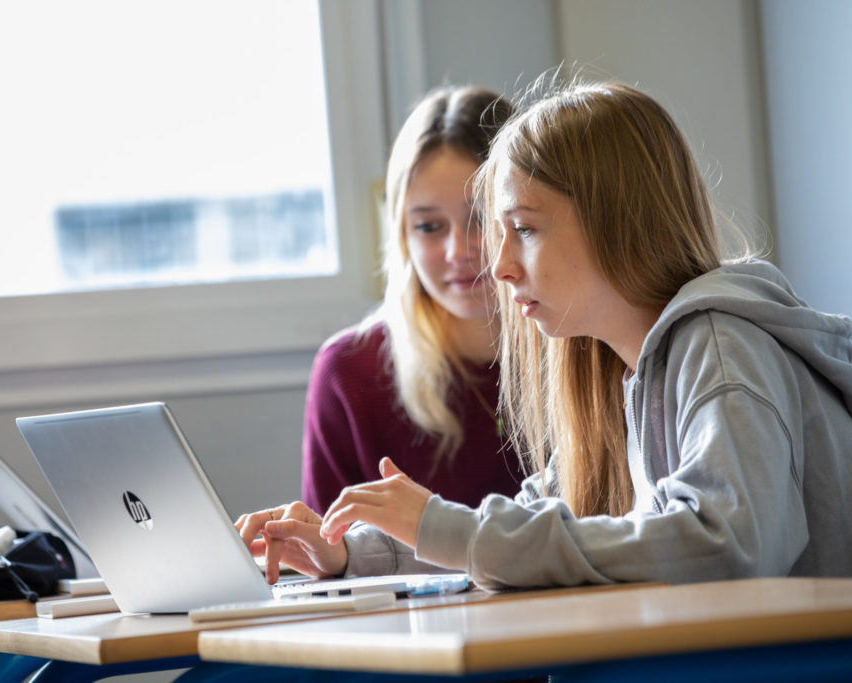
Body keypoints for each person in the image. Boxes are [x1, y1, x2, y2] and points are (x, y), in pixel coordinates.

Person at [239, 80, 852, 588]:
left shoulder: (719, 346)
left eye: (521, 230)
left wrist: (445, 528)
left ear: (619, 223)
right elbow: (535, 523)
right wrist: (354, 555)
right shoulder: (611, 369)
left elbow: (729, 547)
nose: (498, 266)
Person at [300, 85, 525, 517]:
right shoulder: (351, 372)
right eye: (428, 227)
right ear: (402, 234)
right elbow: (327, 556)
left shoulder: (586, 346)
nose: (458, 250)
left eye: (481, 217)